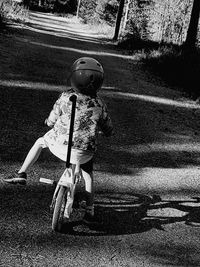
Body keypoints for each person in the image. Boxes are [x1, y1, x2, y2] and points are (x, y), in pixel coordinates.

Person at [4, 57, 113, 224]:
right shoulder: (100, 104)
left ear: (74, 78)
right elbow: (107, 126)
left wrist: (49, 122)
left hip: (59, 145)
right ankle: (90, 210)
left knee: (40, 142)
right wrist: (108, 132)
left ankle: (22, 173)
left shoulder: (65, 96)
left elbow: (53, 117)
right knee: (88, 176)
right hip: (83, 152)